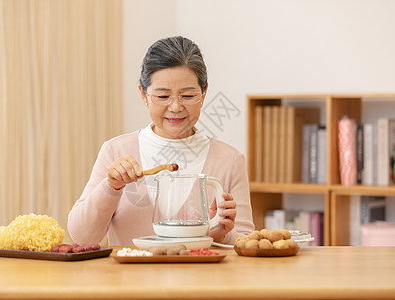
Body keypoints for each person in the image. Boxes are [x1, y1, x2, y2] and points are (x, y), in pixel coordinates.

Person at [68, 36, 255, 246]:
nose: (175, 107)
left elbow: (246, 243)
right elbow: (82, 237)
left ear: (204, 93)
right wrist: (110, 187)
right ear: (143, 94)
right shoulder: (116, 151)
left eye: (187, 95)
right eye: (163, 96)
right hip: (130, 278)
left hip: (203, 279)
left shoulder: (229, 160)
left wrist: (221, 233)